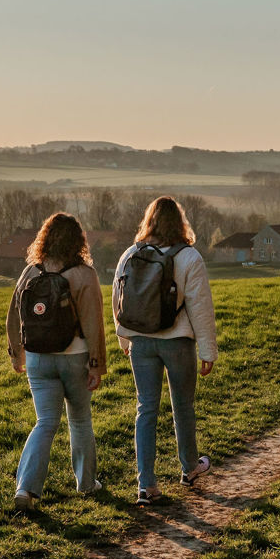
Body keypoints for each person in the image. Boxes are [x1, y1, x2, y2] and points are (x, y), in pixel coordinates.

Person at [112, 196, 217, 506]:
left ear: (149, 221)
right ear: (180, 222)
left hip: (141, 341)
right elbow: (200, 307)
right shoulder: (189, 257)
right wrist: (207, 351)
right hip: (178, 342)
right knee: (183, 406)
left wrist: (124, 339)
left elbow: (118, 300)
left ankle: (146, 485)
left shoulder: (131, 253)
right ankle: (189, 468)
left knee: (146, 409)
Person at [6, 212, 107, 510]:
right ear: (78, 241)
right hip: (74, 358)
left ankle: (26, 489)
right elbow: (93, 324)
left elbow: (13, 315)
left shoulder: (30, 271)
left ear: (44, 238)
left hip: (38, 359)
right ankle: (86, 483)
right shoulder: (84, 274)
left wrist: (17, 353)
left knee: (45, 422)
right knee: (80, 419)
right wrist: (96, 365)